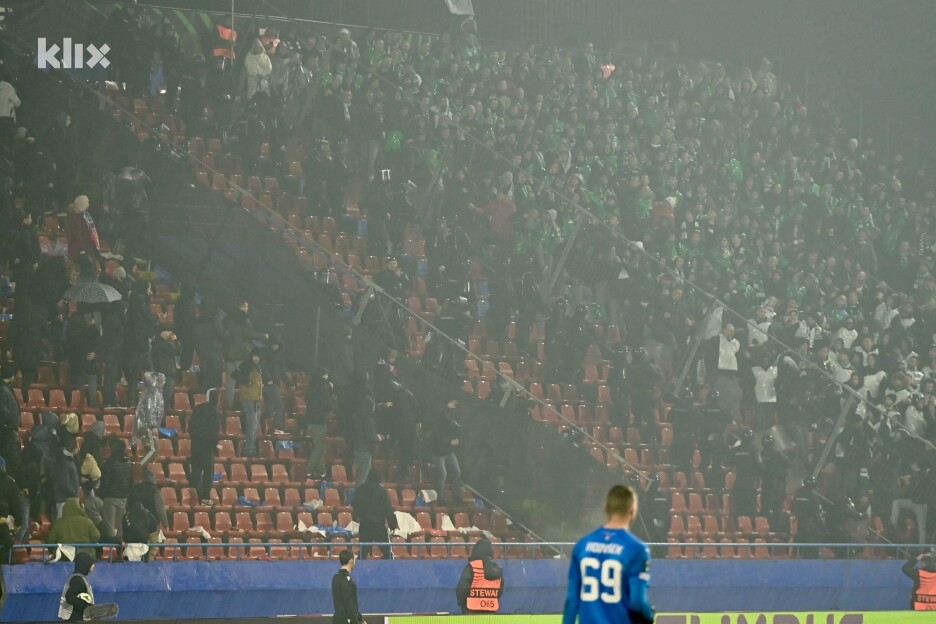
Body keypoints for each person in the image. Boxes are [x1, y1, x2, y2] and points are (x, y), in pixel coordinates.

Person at [562, 484, 655, 624]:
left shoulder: (583, 545)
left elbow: (572, 600)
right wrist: (649, 614)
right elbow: (637, 602)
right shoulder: (637, 549)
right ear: (632, 510)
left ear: (606, 507)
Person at [351, 468, 397, 560]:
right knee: (387, 553)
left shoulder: (360, 490)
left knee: (363, 553)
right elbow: (388, 509)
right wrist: (393, 524)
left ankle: (359, 572)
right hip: (379, 526)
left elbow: (354, 504)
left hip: (365, 525)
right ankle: (391, 572)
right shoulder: (382, 491)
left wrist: (361, 515)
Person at [189, 388, 221, 505]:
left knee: (196, 472)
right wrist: (216, 444)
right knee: (208, 474)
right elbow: (214, 431)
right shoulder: (215, 412)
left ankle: (191, 497)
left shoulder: (198, 409)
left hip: (196, 446)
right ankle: (205, 499)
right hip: (208, 448)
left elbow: (191, 427)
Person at [456, 538, 504, 614]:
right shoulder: (497, 568)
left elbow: (462, 588)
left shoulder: (472, 566)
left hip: (471, 611)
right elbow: (500, 590)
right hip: (491, 610)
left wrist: (461, 602)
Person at [429, 399, 463, 504]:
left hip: (449, 453)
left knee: (457, 471)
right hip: (439, 454)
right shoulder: (441, 423)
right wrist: (450, 442)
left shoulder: (454, 424)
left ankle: (457, 496)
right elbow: (438, 438)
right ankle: (440, 499)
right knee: (443, 474)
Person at [98, 438, 132, 542]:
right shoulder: (129, 462)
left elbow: (105, 482)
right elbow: (131, 481)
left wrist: (101, 495)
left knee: (110, 527)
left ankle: (109, 550)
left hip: (110, 497)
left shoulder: (110, 463)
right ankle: (119, 551)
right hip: (123, 497)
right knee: (120, 526)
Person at [235, 350, 264, 457]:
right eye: (254, 356)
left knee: (254, 425)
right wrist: (246, 381)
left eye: (258, 356)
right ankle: (249, 450)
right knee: (252, 425)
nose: (256, 358)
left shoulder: (257, 367)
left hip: (255, 399)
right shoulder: (247, 365)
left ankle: (251, 448)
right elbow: (235, 375)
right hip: (250, 399)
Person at [132, 372, 166, 465]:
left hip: (145, 425)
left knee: (151, 450)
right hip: (147, 425)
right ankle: (141, 467)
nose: (164, 381)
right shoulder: (153, 392)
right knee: (153, 450)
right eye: (162, 379)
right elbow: (150, 409)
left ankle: (145, 470)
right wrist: (153, 426)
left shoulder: (152, 391)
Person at [332, 549, 363, 624]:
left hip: (338, 618)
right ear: (351, 561)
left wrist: (359, 618)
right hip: (347, 619)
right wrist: (355, 620)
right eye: (355, 559)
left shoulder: (335, 577)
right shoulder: (347, 579)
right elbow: (348, 602)